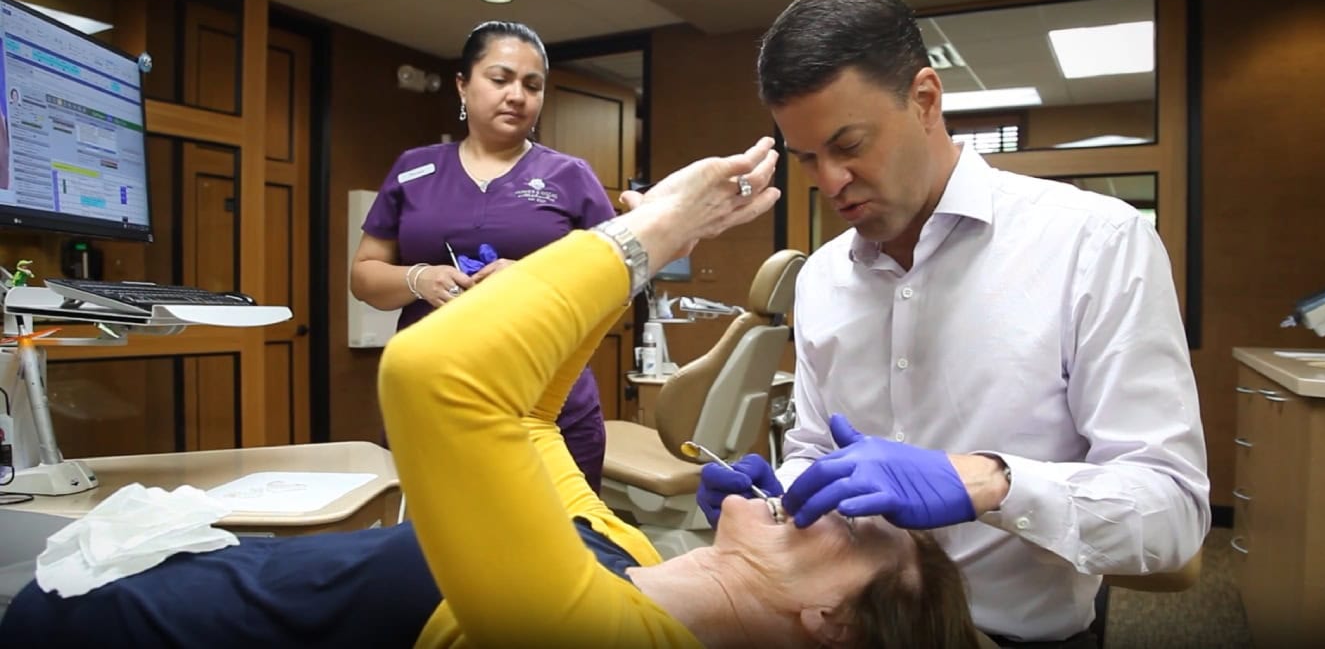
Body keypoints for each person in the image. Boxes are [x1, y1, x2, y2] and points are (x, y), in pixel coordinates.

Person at [1, 138, 982, 649]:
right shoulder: (640, 555)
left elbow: (436, 381)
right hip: (131, 581)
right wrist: (603, 279)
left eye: (854, 526)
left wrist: (653, 236)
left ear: (833, 624)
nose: (821, 491)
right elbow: (525, 417)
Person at [697, 0, 1210, 647]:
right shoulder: (822, 277)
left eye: (849, 145)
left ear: (925, 100)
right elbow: (816, 445)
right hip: (855, 629)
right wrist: (785, 489)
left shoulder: (1095, 242)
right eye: (808, 160)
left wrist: (990, 482)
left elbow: (1171, 517)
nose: (829, 182)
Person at [350, 21, 616, 492]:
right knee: (430, 549)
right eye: (500, 79)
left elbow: (618, 285)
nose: (517, 95)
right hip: (434, 392)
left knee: (560, 547)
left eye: (532, 86)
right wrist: (418, 279)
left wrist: (535, 280)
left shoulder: (571, 176)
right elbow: (364, 275)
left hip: (545, 400)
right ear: (463, 85)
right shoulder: (415, 169)